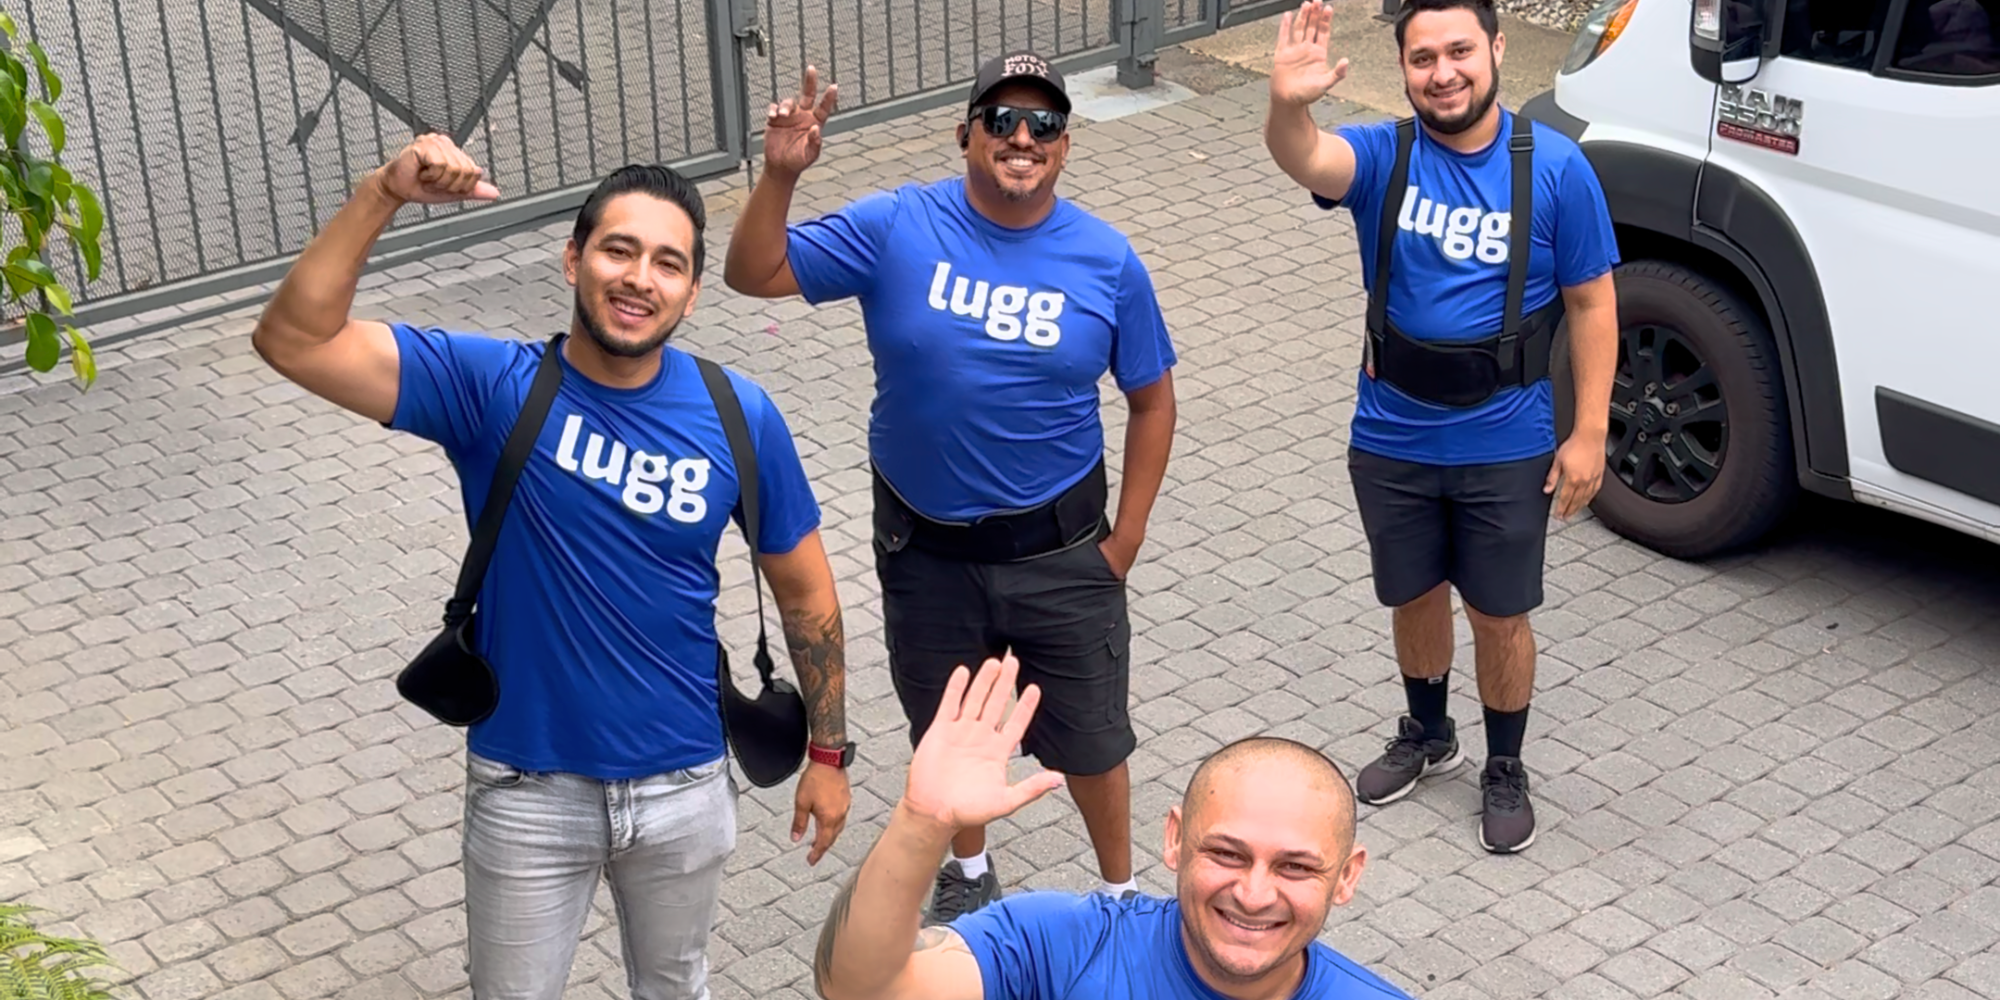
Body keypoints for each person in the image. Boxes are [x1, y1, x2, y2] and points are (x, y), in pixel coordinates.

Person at [251, 134, 856, 1000]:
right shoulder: (490, 386)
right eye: (618, 249)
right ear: (573, 258)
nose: (639, 278)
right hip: (528, 791)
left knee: (676, 989)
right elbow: (292, 340)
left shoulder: (736, 414)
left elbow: (806, 593)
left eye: (668, 263)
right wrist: (383, 191)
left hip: (685, 784)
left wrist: (829, 756)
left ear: (690, 288)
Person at [724, 52, 1179, 920]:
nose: (1021, 137)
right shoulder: (898, 225)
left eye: (1043, 123)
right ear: (965, 133)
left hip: (1063, 552)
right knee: (946, 727)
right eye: (1001, 119)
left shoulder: (1106, 260)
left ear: (1065, 145)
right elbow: (753, 273)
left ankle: (1122, 893)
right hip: (925, 549)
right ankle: (967, 870)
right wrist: (780, 177)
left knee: (1090, 738)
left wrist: (1128, 540)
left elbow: (1152, 400)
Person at [1261, 0, 1620, 854]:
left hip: (1507, 438)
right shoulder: (1386, 155)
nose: (1443, 72)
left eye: (1459, 50)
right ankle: (1428, 733)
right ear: (1404, 69)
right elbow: (1304, 154)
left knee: (1498, 613)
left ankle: (1503, 763)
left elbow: (1594, 302)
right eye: (1422, 58)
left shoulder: (1557, 169)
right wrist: (1286, 103)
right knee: (1413, 593)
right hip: (1391, 433)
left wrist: (1591, 432)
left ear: (1497, 48)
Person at [809, 654, 1410, 1000]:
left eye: (1295, 866)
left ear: (1348, 875)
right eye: (1226, 853)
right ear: (1174, 839)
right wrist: (923, 823)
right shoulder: (1061, 945)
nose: (1253, 894)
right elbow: (861, 990)